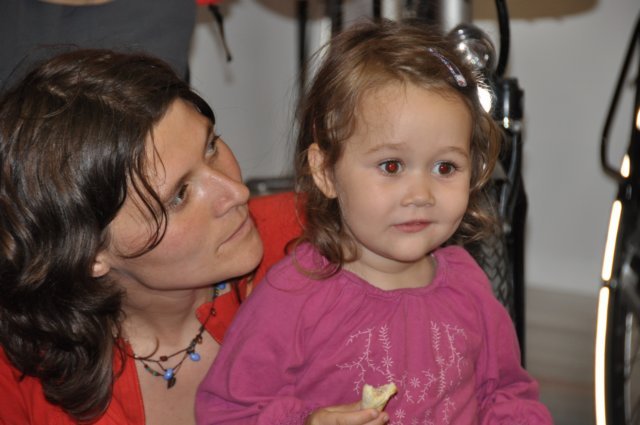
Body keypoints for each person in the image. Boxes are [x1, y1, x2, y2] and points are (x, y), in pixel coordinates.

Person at [195, 19, 553, 425]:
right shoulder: (291, 296)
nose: (420, 194)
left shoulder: (468, 283)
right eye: (391, 165)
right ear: (326, 171)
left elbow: (506, 393)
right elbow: (226, 413)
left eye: (445, 167)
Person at [0, 49, 301, 425]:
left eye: (210, 147)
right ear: (90, 253)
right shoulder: (21, 376)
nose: (237, 193)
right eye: (179, 195)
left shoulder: (317, 239)